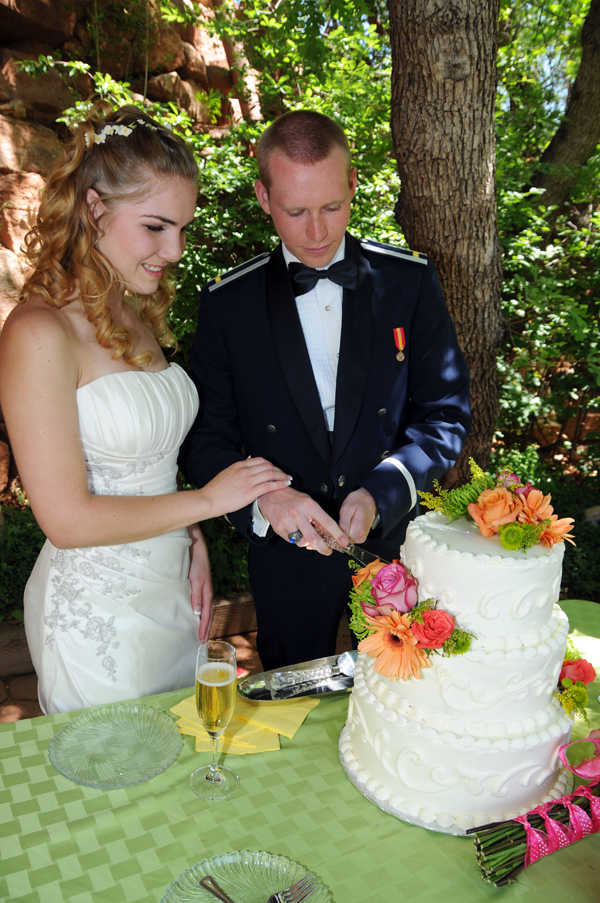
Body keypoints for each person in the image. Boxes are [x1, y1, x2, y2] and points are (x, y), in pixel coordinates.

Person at [0, 103, 291, 715]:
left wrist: (189, 535)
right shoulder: (37, 332)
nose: (176, 250)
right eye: (157, 226)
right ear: (93, 208)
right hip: (97, 614)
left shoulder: (132, 313)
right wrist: (210, 502)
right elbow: (66, 520)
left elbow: (144, 463)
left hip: (171, 588)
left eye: (183, 228)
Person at [181, 110, 471, 671]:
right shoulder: (227, 304)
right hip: (285, 552)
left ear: (354, 185)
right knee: (293, 698)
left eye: (332, 207)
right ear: (264, 197)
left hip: (392, 539)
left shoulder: (408, 281)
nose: (317, 232)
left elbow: (445, 415)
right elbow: (205, 439)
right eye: (295, 211)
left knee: (406, 694)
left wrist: (384, 490)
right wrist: (265, 500)